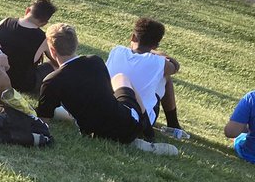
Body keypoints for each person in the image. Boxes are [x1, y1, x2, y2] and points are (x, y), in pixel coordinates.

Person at [36, 23, 177, 155]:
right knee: (120, 78)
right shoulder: (95, 61)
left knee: (69, 110)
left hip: (94, 133)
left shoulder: (51, 81)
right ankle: (148, 132)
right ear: (76, 43)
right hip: (128, 124)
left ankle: (131, 139)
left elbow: (43, 123)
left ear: (52, 51)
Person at [105, 17, 187, 139]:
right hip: (142, 119)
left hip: (109, 108)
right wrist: (158, 53)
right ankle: (173, 124)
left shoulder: (117, 51)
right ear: (156, 45)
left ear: (133, 37)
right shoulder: (159, 63)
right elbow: (175, 66)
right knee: (166, 77)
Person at [0, 0, 57, 94]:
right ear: (44, 23)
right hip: (23, 84)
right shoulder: (43, 38)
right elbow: (56, 59)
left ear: (27, 10)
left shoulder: (5, 22)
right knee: (54, 65)